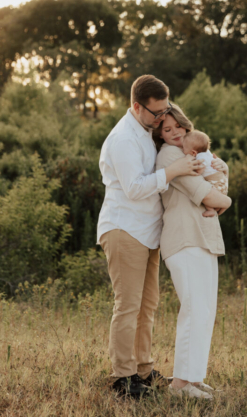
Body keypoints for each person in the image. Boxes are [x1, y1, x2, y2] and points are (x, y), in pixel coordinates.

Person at [97, 75, 205, 397]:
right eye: (156, 114)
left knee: (148, 306)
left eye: (164, 112)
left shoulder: (146, 132)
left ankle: (143, 370)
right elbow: (133, 188)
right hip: (124, 228)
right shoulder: (123, 140)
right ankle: (123, 378)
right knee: (128, 306)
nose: (161, 119)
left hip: (148, 233)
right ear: (136, 106)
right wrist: (175, 171)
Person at [154, 103, 232, 400]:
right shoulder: (171, 155)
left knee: (204, 310)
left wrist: (219, 197)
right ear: (160, 135)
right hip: (185, 239)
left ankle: (193, 378)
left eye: (178, 127)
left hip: (202, 238)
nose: (174, 133)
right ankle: (181, 385)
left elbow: (219, 174)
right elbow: (209, 194)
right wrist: (226, 203)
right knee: (194, 309)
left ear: (187, 126)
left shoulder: (194, 154)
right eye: (166, 129)